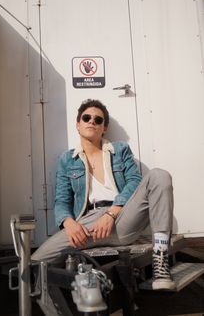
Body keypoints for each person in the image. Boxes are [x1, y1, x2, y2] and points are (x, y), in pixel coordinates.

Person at [32, 99, 175, 313]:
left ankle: (161, 263)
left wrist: (112, 212)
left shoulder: (120, 150)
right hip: (88, 225)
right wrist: (68, 222)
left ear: (104, 127)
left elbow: (135, 182)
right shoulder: (66, 160)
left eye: (98, 120)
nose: (92, 121)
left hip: (122, 217)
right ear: (78, 124)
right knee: (36, 261)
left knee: (159, 175)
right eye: (86, 118)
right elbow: (62, 199)